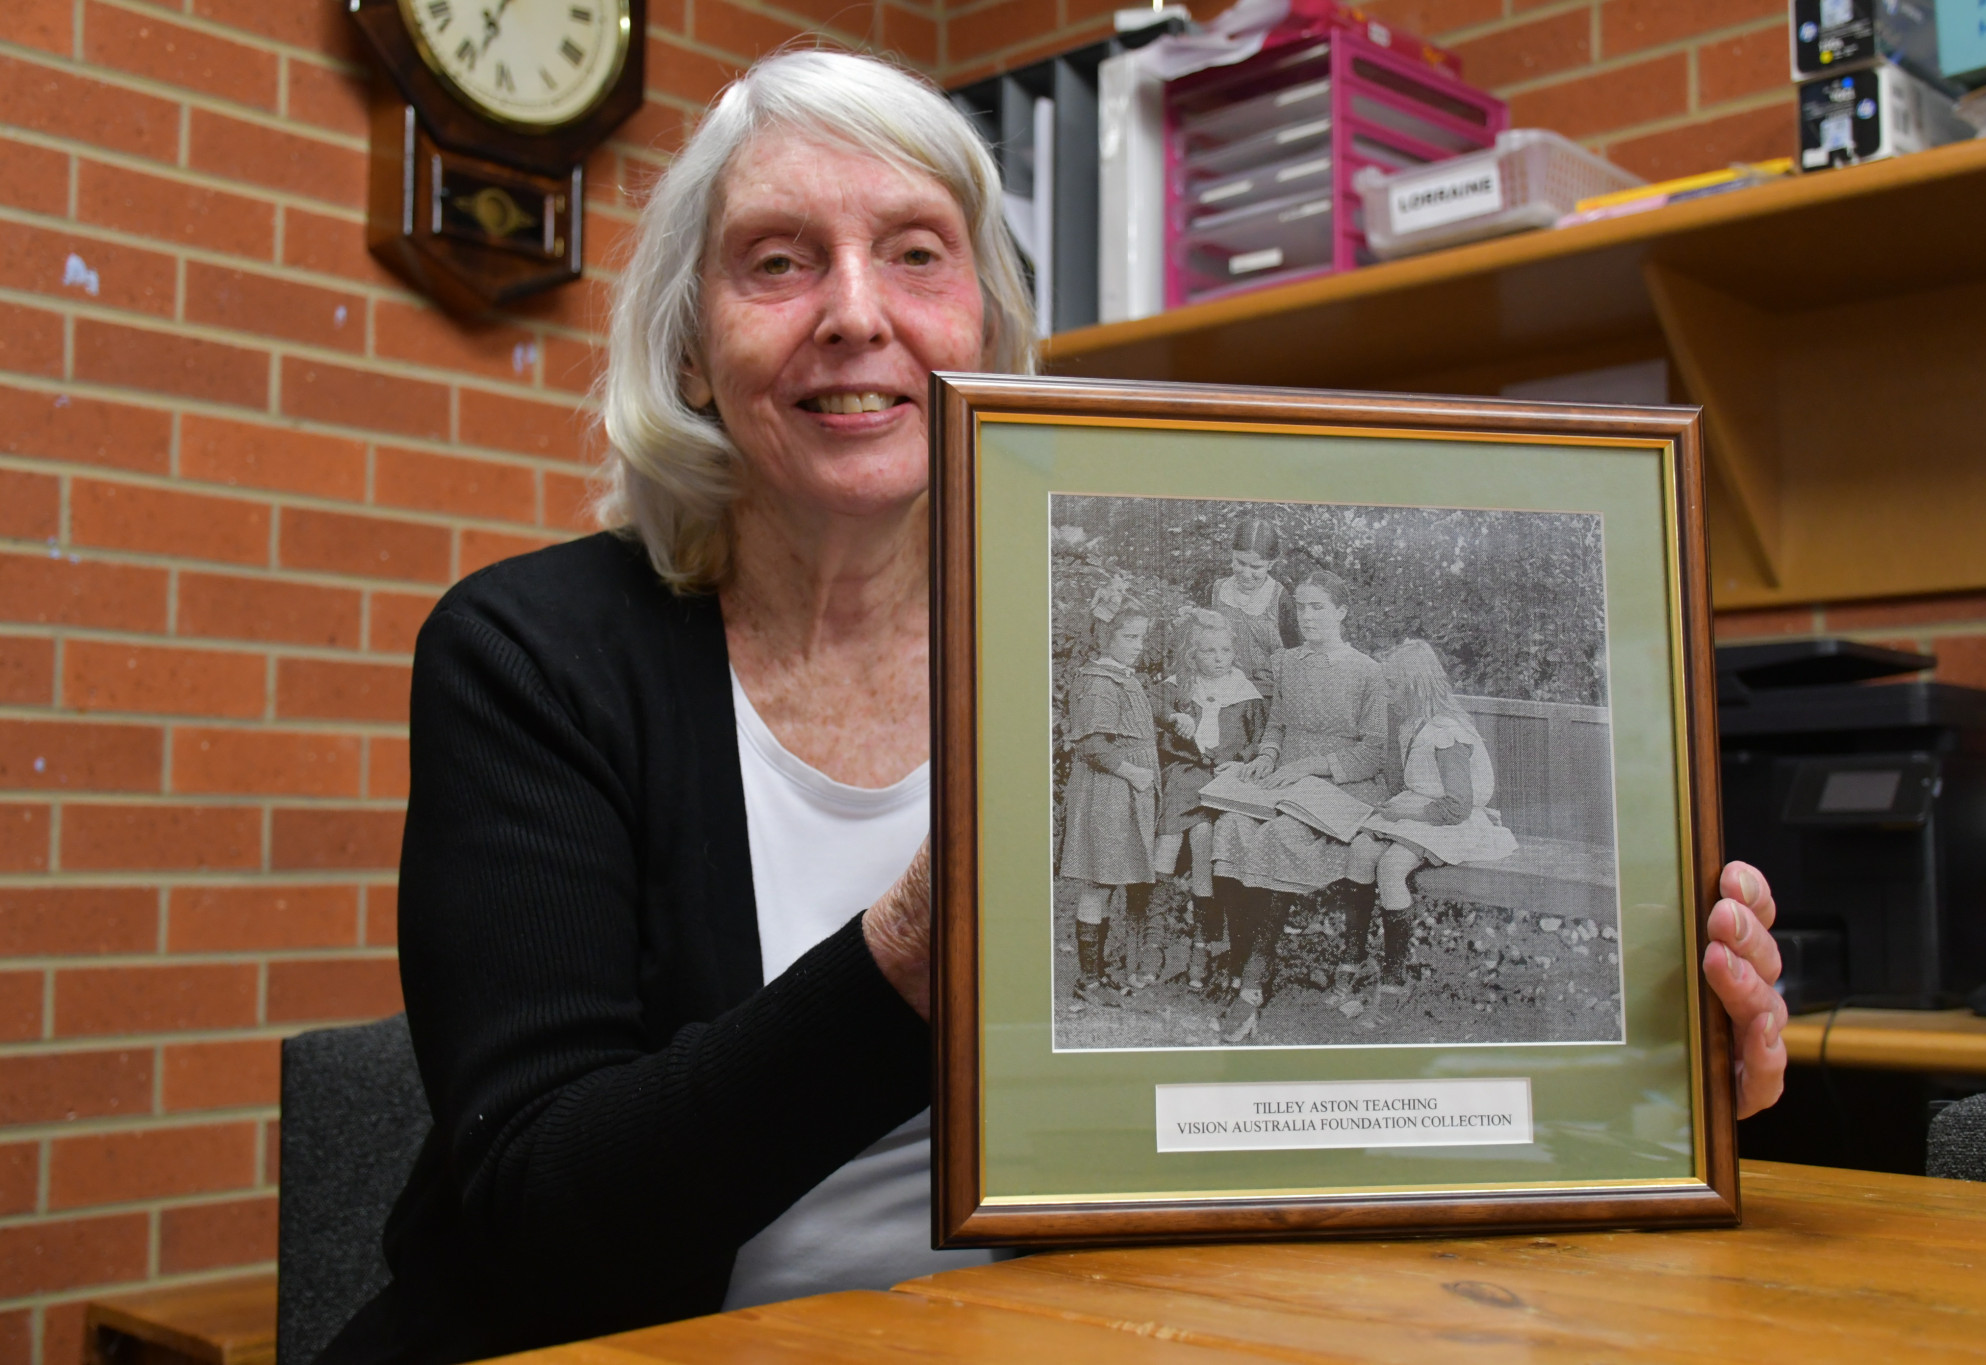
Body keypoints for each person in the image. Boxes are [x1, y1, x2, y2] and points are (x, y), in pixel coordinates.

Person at [322, 47, 1791, 1365]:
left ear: (983, 327)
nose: (854, 313)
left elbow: (1266, 1126)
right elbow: (533, 1212)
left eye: (915, 253)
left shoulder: (1073, 632)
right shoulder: (532, 654)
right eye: (778, 261)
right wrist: (909, 950)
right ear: (693, 348)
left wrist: (1632, 1074)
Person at [1209, 569, 1392, 1038]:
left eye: (1319, 608)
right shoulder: (1285, 662)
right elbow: (1277, 725)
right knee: (1229, 826)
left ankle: (1253, 982)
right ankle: (1239, 957)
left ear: (1342, 613)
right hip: (1284, 782)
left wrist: (1308, 768)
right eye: (1302, 608)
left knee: (1281, 835)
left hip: (1342, 787)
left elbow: (1373, 751)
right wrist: (1267, 757)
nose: (1307, 617)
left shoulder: (1367, 671)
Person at [1363, 639, 1517, 990]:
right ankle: (1352, 959)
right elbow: (1402, 778)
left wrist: (1409, 812)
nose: (1386, 693)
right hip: (1419, 810)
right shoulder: (1407, 721)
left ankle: (1393, 978)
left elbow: (1458, 806)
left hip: (1454, 820)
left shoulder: (1446, 731)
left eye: (1392, 686)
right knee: (1360, 851)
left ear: (1416, 687)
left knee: (1390, 867)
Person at [1151, 609, 1266, 990]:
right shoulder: (1180, 686)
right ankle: (1154, 940)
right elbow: (1153, 707)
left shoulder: (1245, 692)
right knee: (1166, 846)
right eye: (1209, 652)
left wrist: (1239, 764)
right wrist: (1173, 718)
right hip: (1185, 775)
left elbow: (1258, 743)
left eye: (1225, 650)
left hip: (1223, 781)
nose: (1218, 658)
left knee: (1203, 842)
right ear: (1193, 655)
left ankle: (1201, 944)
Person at [1059, 607, 1161, 1005]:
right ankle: (1088, 979)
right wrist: (1134, 774)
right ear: (1106, 638)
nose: (1138, 646)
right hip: (1107, 791)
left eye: (1141, 638)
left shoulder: (1121, 678)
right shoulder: (1099, 683)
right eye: (1129, 638)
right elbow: (1092, 746)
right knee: (1098, 883)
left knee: (1109, 880)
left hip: (1122, 794)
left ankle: (1097, 974)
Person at [1209, 516, 1291, 694]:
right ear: (1232, 554)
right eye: (1240, 563)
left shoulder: (1281, 599)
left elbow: (1296, 656)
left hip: (1268, 696)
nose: (1246, 574)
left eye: (1256, 567)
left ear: (1271, 564)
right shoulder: (1217, 591)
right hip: (1221, 690)